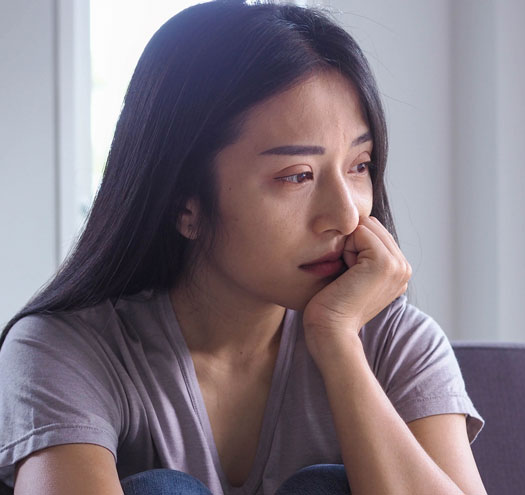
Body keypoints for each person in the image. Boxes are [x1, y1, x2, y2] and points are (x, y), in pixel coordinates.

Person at [0, 1, 486, 494]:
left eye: (359, 165)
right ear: (184, 204)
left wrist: (338, 344)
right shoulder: (66, 349)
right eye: (296, 176)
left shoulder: (393, 340)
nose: (346, 215)